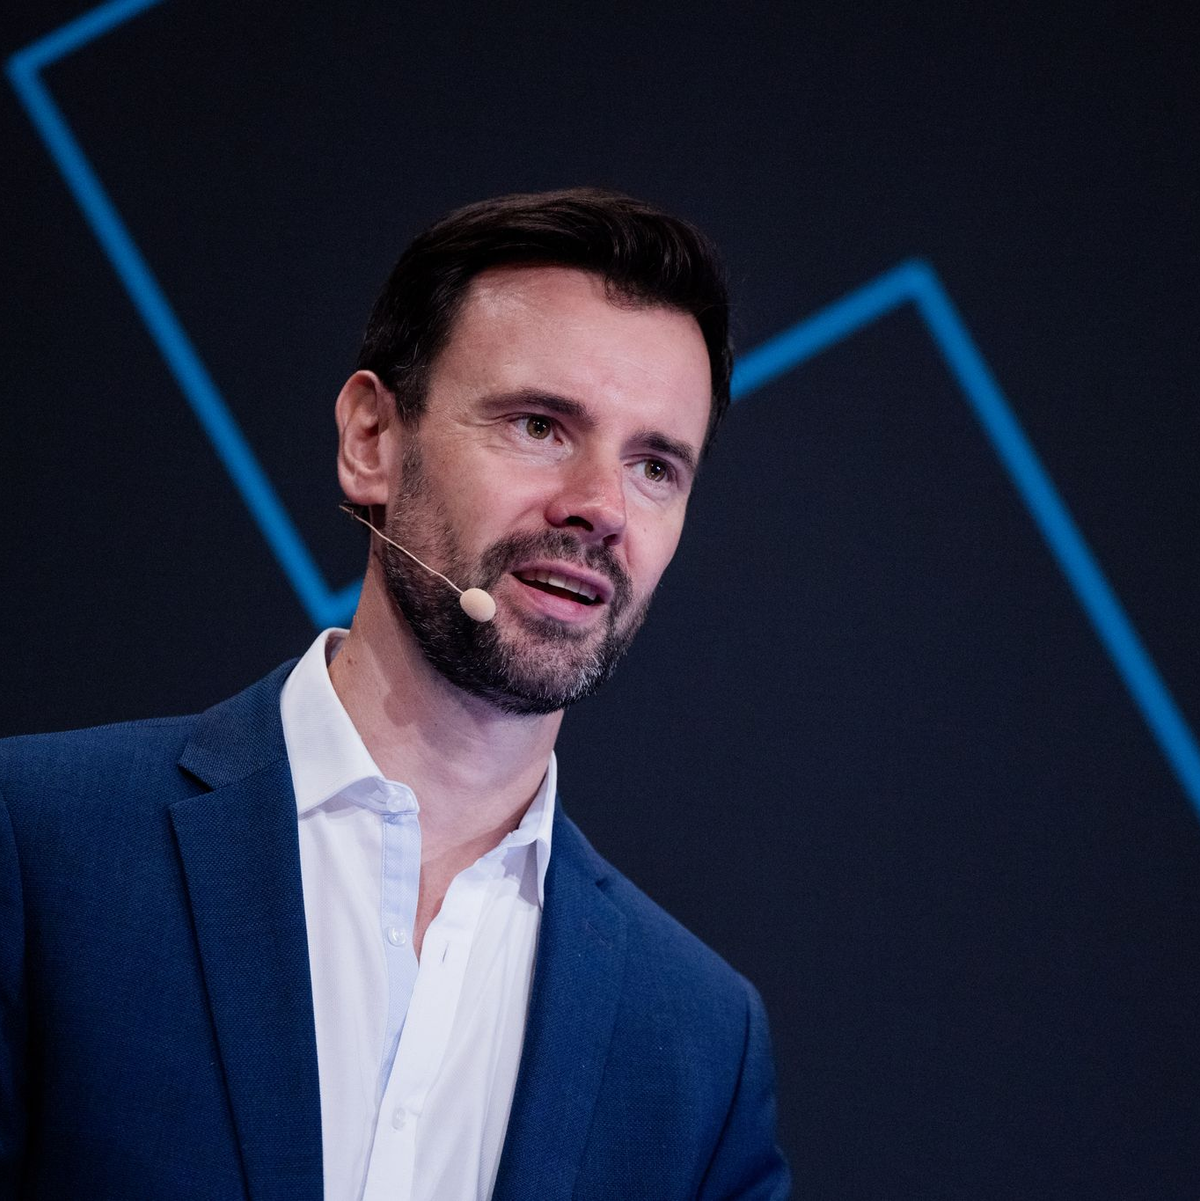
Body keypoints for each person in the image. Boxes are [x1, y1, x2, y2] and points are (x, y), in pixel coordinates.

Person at [0, 188, 789, 1200]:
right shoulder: (41, 845)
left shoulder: (700, 1045)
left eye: (654, 465)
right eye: (542, 425)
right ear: (372, 437)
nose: (599, 506)